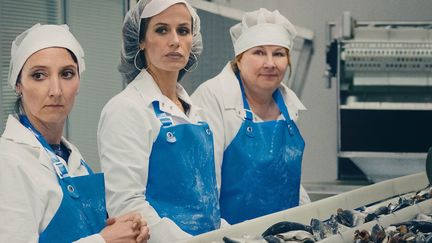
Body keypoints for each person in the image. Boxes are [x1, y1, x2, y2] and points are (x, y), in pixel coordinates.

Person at [0, 23, 150, 243]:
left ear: (79, 82)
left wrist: (124, 229)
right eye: (39, 75)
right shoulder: (8, 162)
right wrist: (103, 241)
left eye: (67, 74)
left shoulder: (72, 159)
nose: (56, 91)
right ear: (18, 85)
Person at [97, 0, 220, 241]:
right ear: (140, 41)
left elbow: (207, 205)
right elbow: (127, 206)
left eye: (183, 30)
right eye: (162, 30)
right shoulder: (126, 109)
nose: (174, 40)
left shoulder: (197, 113)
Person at [192, 8, 311, 225]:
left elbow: (288, 182)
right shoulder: (212, 98)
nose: (270, 63)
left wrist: (309, 222)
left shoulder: (288, 104)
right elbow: (204, 191)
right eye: (258, 52)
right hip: (227, 235)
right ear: (239, 59)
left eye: (278, 53)